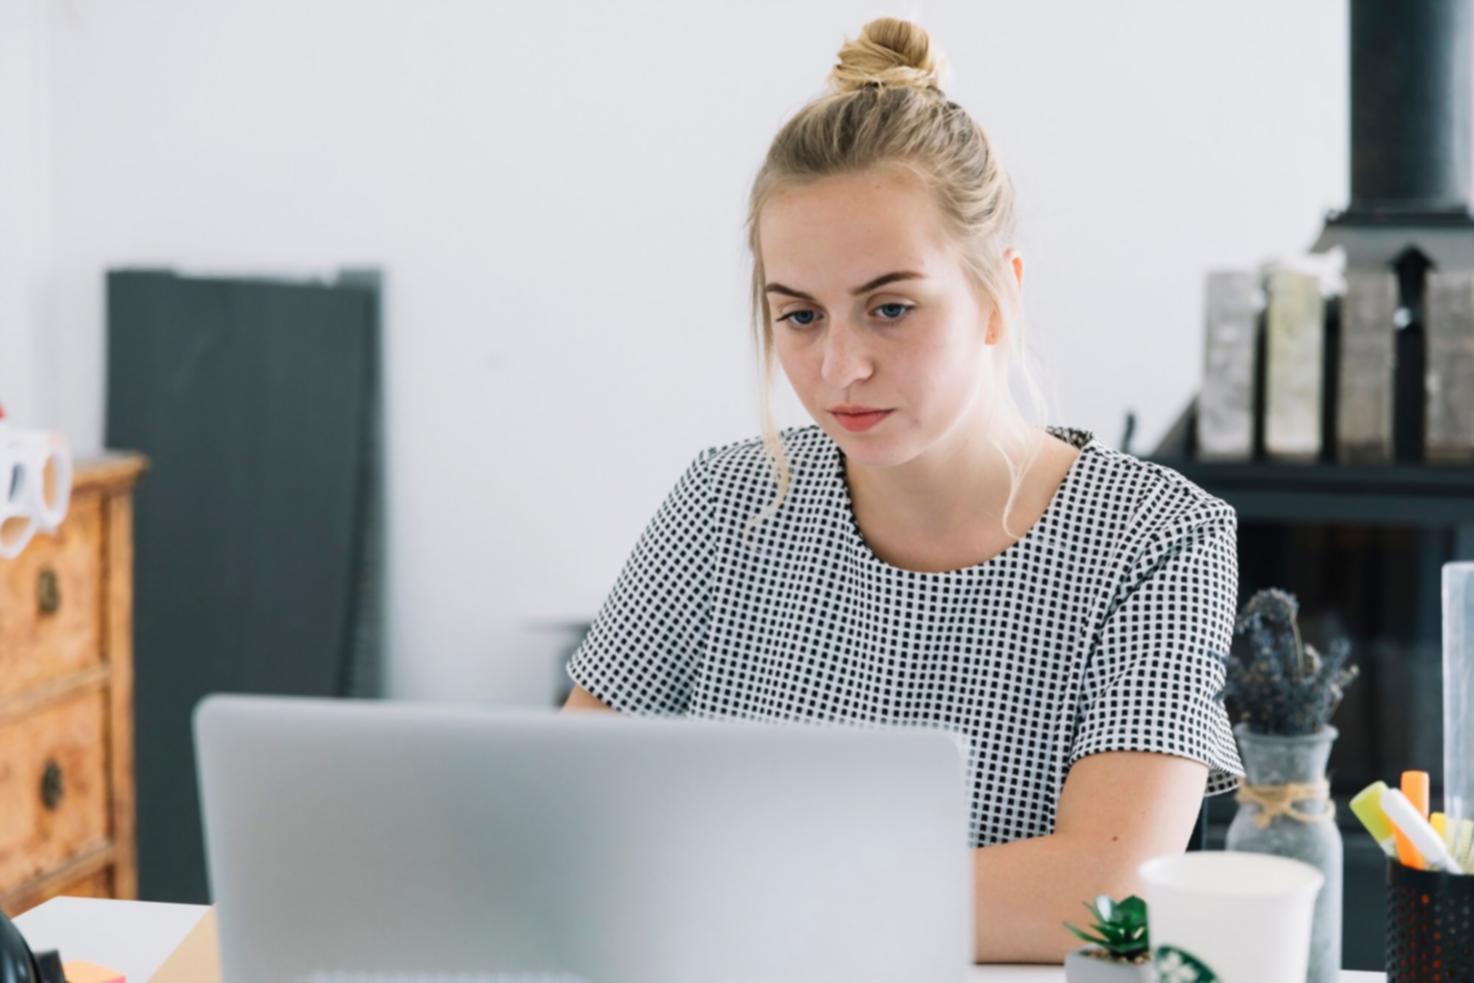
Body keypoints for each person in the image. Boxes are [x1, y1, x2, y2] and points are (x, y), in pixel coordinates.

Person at [560, 15, 1243, 964]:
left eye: (891, 308)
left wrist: (745, 889)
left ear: (998, 293)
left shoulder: (1157, 535)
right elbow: (568, 813)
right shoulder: (724, 501)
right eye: (799, 315)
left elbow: (1106, 890)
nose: (841, 368)